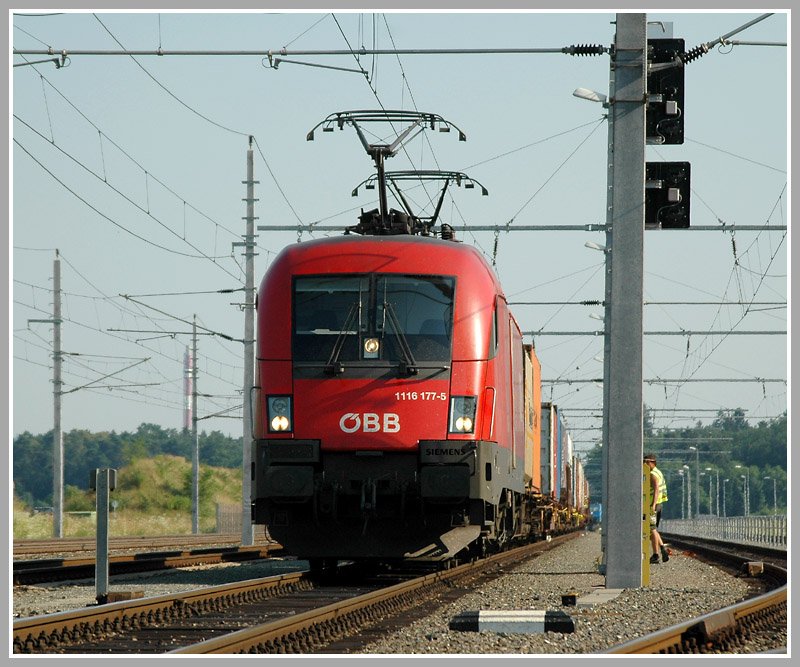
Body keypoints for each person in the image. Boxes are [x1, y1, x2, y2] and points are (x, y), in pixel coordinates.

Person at [644, 454, 670, 564]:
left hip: (653, 505)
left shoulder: (652, 474)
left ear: (652, 462)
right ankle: (662, 548)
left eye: (646, 462)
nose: (644, 464)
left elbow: (656, 490)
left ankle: (656, 554)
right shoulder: (658, 472)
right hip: (659, 504)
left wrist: (653, 505)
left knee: (652, 529)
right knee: (653, 528)